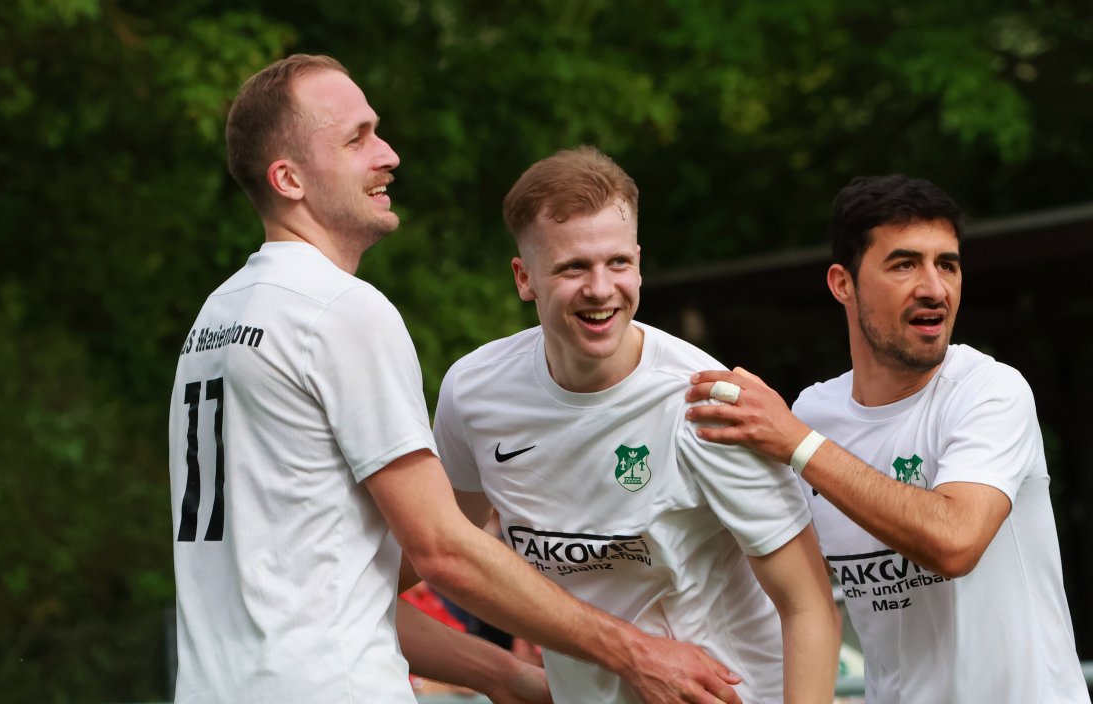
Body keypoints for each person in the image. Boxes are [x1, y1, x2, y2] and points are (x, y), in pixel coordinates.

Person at [168, 54, 743, 704]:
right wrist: (637, 653)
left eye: (376, 130)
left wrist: (514, 680)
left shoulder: (219, 317)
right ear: (289, 178)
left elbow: (351, 587)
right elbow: (444, 550)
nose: (388, 154)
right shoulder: (338, 310)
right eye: (356, 138)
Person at [433, 146, 841, 704]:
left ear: (640, 263)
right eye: (573, 266)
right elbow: (444, 548)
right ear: (524, 278)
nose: (601, 289)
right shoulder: (473, 392)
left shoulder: (706, 399)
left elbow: (809, 605)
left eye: (618, 263)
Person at [686, 174, 1090, 703]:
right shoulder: (812, 415)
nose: (934, 287)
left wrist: (798, 444)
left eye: (947, 263)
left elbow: (955, 542)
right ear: (842, 284)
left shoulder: (990, 390)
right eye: (904, 264)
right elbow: (782, 591)